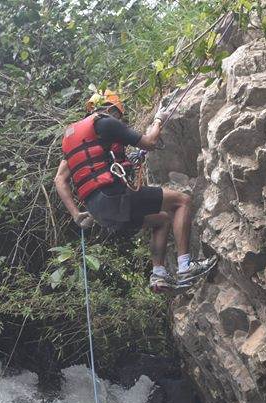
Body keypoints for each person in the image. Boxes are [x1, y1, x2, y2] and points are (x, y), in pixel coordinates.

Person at [53, 89, 215, 294]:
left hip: (98, 211)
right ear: (112, 109)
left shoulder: (74, 139)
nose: (119, 120)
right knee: (182, 201)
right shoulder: (106, 123)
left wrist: (76, 215)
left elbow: (60, 179)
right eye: (119, 115)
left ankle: (159, 274)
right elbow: (150, 142)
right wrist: (158, 120)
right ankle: (185, 267)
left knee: (162, 219)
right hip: (114, 196)